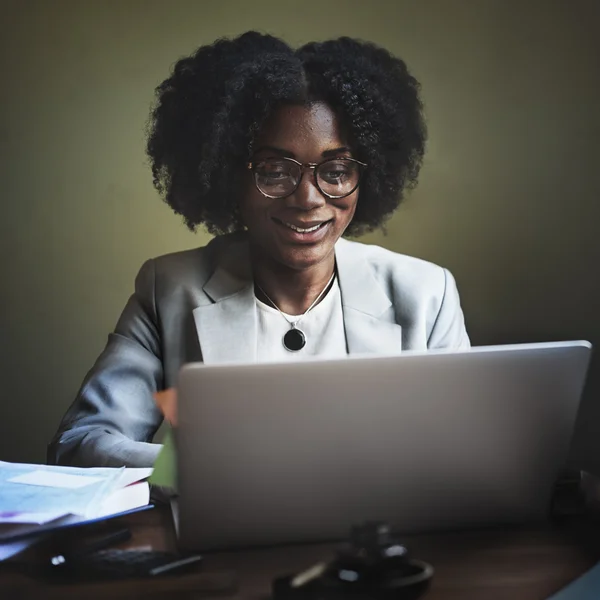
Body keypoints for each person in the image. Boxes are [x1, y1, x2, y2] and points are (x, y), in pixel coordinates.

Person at [47, 31, 470, 469]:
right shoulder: (169, 291)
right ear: (229, 174)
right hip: (227, 535)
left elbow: (467, 447)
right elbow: (81, 444)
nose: (308, 198)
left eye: (337, 170)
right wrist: (210, 469)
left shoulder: (425, 295)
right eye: (274, 170)